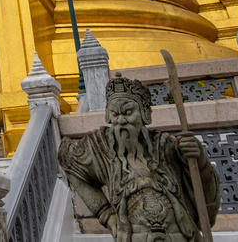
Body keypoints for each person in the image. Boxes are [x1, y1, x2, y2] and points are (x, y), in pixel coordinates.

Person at [58, 74, 220, 241]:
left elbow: (204, 198)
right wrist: (106, 214)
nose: (121, 120)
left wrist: (199, 161)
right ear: (108, 116)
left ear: (145, 114)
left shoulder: (166, 146)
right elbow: (69, 163)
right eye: (115, 114)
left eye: (128, 112)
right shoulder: (102, 149)